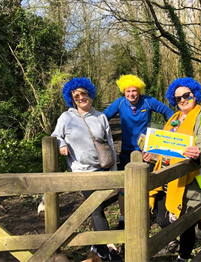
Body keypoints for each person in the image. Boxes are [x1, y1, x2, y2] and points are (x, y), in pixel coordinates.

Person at [143, 77, 201, 262]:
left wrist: (199, 151)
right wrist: (153, 156)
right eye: (178, 98)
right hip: (166, 179)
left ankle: (183, 258)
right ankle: (175, 240)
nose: (182, 100)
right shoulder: (173, 119)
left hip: (190, 180)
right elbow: (165, 149)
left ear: (195, 95)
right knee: (162, 219)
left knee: (186, 224)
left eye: (186, 95)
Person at [51, 77, 123, 262]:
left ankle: (97, 246)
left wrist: (114, 172)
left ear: (89, 94)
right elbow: (55, 135)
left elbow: (110, 145)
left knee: (96, 208)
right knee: (96, 209)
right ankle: (109, 248)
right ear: (72, 99)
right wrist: (61, 144)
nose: (81, 98)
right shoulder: (66, 117)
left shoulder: (101, 117)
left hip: (101, 170)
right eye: (76, 96)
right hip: (81, 172)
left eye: (84, 93)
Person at [103, 74, 174, 229]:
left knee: (144, 184)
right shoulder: (120, 103)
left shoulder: (148, 101)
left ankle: (144, 214)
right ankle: (124, 218)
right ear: (123, 92)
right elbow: (103, 117)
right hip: (126, 151)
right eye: (128, 91)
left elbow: (168, 112)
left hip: (145, 152)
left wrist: (169, 131)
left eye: (134, 91)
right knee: (124, 185)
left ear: (139, 90)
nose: (131, 94)